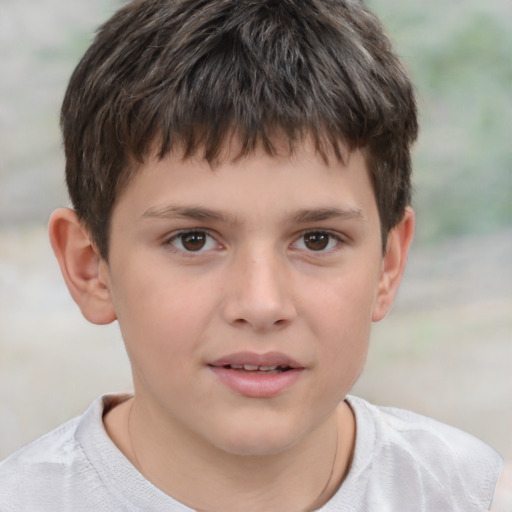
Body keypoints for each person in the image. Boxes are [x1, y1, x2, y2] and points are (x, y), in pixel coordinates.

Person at [0, 0, 503, 510]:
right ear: (91, 267)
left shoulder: (475, 496)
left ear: (387, 265)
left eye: (317, 240)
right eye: (193, 239)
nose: (261, 304)